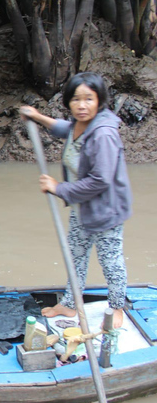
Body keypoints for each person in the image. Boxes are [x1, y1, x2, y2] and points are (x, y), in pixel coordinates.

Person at [21, 72, 132, 328]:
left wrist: (59, 188)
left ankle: (117, 308)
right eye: (76, 99)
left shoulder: (103, 134)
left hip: (106, 211)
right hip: (82, 207)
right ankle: (70, 304)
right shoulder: (79, 125)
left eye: (89, 99)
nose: (82, 105)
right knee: (76, 256)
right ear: (69, 102)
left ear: (99, 100)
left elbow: (100, 180)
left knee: (110, 260)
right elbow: (65, 129)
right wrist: (37, 117)